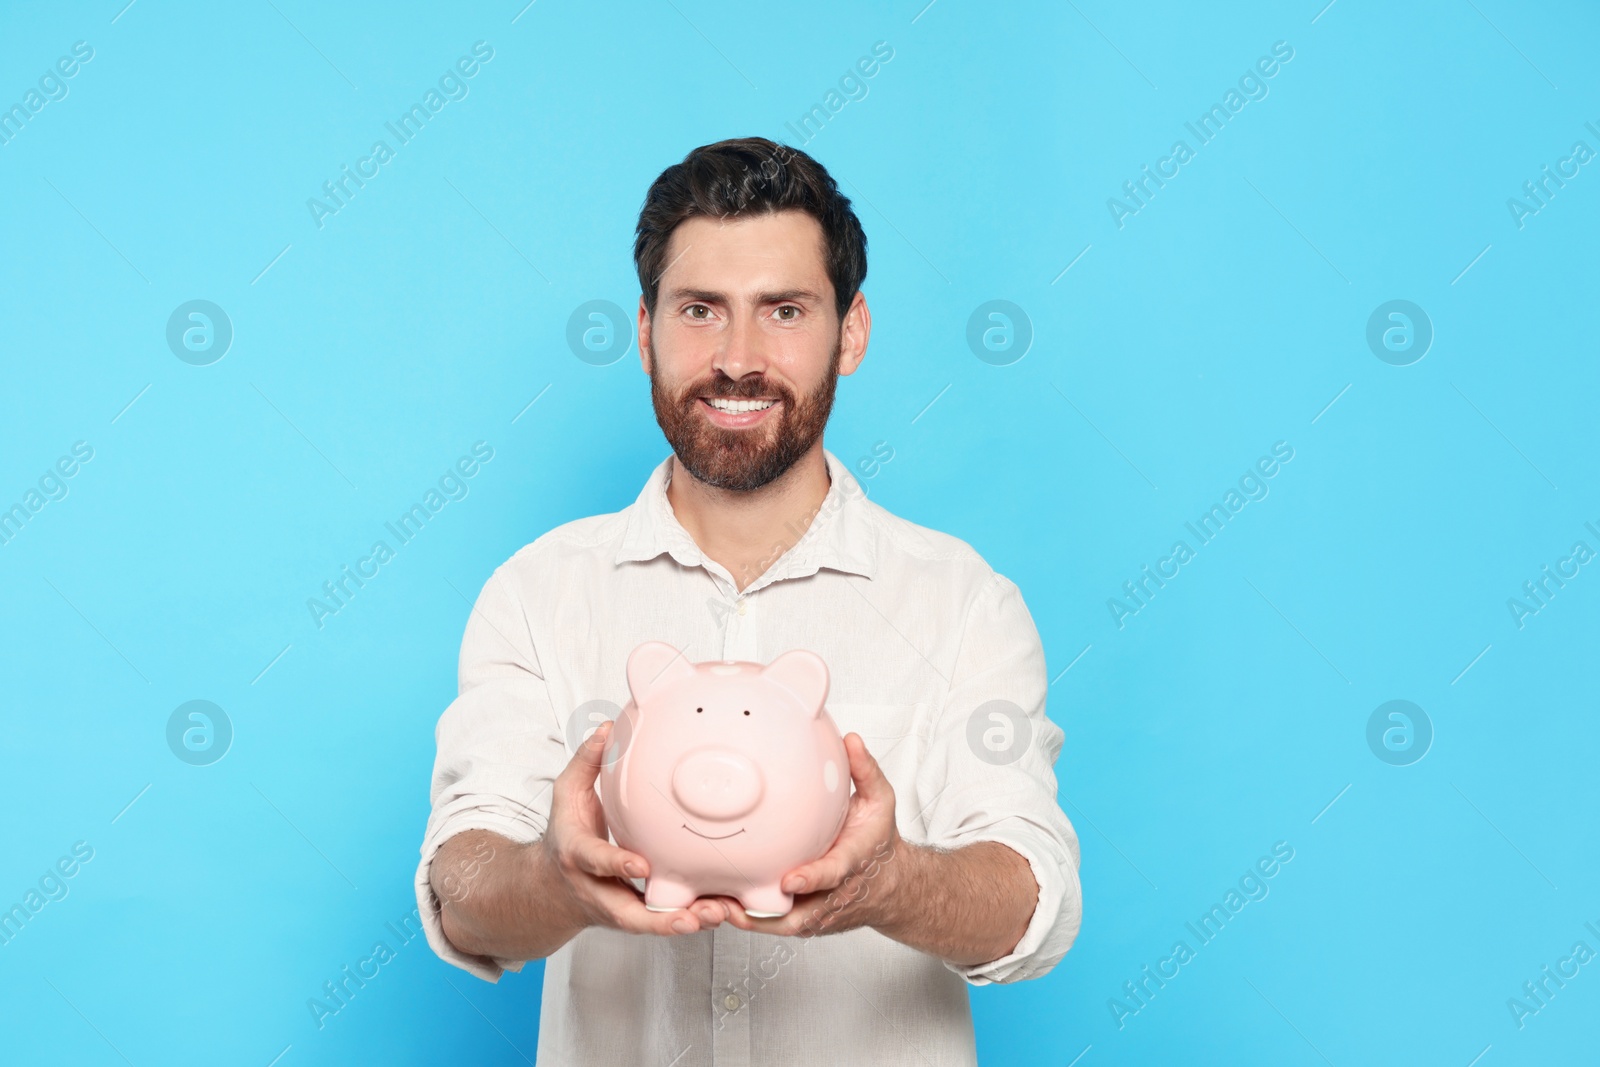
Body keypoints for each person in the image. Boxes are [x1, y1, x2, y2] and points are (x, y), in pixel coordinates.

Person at [415, 136, 1082, 1065]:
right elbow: (461, 883)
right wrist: (554, 874)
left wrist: (892, 882)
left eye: (784, 310)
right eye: (700, 310)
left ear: (850, 332)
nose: (737, 358)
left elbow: (1034, 896)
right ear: (644, 330)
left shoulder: (963, 601)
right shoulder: (538, 590)